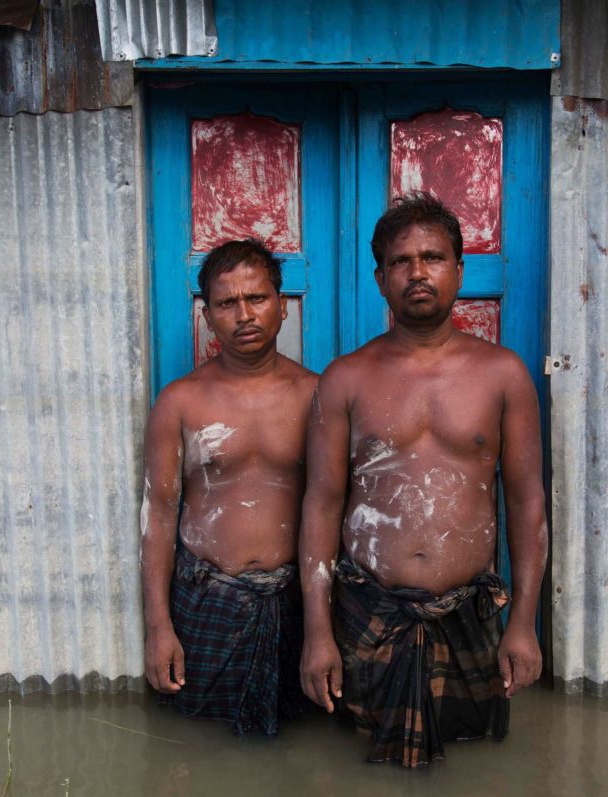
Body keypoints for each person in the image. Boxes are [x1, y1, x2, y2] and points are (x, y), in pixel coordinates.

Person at [299, 194, 548, 766]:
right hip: (367, 616)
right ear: (380, 278)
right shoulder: (345, 379)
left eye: (433, 257)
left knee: (474, 756)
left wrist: (524, 624)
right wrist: (317, 633)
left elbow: (528, 503)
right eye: (401, 261)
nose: (417, 272)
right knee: (354, 757)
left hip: (469, 618)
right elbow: (320, 505)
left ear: (458, 271)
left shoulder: (502, 375)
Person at [141, 239, 316, 735]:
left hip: (293, 602)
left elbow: (335, 511)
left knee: (301, 741)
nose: (244, 314)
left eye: (256, 298)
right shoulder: (180, 402)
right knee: (199, 744)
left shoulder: (317, 395)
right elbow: (158, 516)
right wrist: (159, 628)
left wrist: (326, 628)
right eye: (226, 302)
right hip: (205, 602)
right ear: (207, 316)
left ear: (281, 307)